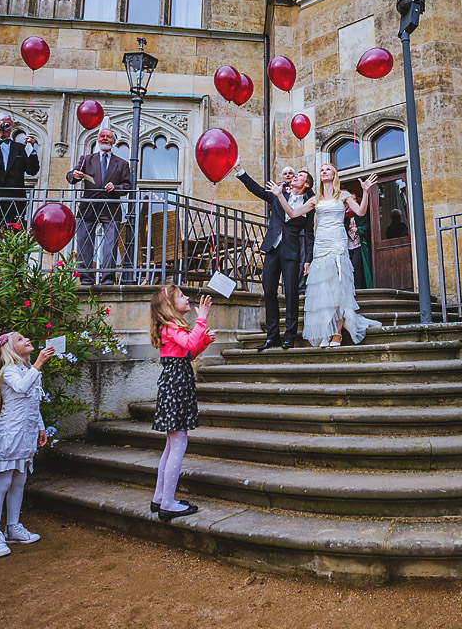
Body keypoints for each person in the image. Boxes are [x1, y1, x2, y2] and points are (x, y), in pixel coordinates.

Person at [269, 165, 381, 347]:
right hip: (321, 245)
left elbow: (361, 211)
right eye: (321, 170)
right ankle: (325, 331)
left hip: (337, 243)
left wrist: (366, 192)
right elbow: (293, 213)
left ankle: (336, 334)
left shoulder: (343, 196)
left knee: (337, 288)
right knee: (323, 290)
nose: (324, 171)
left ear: (334, 174)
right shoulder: (315, 199)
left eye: (328, 169)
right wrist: (279, 195)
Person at [0, 332, 54, 558]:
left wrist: (40, 427)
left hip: (25, 434)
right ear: (11, 349)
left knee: (20, 481)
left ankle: (12, 527)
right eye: (21, 339)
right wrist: (39, 362)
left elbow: (32, 401)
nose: (27, 340)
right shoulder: (10, 371)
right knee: (3, 483)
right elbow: (22, 388)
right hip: (9, 435)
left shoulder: (26, 369)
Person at [149, 286, 215, 520]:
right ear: (169, 305)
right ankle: (167, 503)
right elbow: (188, 344)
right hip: (177, 386)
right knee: (178, 442)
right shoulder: (169, 327)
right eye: (181, 296)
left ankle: (160, 497)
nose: (187, 298)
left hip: (177, 383)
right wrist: (202, 319)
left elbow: (189, 353)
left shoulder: (171, 328)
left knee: (171, 443)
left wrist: (204, 340)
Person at [234, 164, 313, 350]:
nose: (295, 176)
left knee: (291, 293)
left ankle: (289, 336)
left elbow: (309, 235)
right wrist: (240, 170)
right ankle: (272, 336)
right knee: (269, 290)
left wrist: (308, 258)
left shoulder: (309, 204)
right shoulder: (279, 194)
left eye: (300, 176)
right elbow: (257, 190)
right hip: (272, 248)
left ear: (306, 184)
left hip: (291, 251)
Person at [67, 127, 133, 284]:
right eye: (102, 136)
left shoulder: (122, 164)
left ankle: (108, 280)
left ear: (114, 141)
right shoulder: (86, 159)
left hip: (110, 208)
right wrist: (74, 175)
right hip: (87, 207)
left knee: (110, 246)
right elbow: (71, 176)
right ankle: (86, 279)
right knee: (83, 243)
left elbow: (127, 186)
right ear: (97, 139)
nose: (105, 139)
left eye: (109, 137)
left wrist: (115, 187)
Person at [0, 112, 40, 238]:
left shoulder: (20, 148)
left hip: (15, 199)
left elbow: (32, 170)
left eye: (8, 124)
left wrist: (31, 150)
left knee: (14, 236)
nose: (6, 127)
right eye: (2, 123)